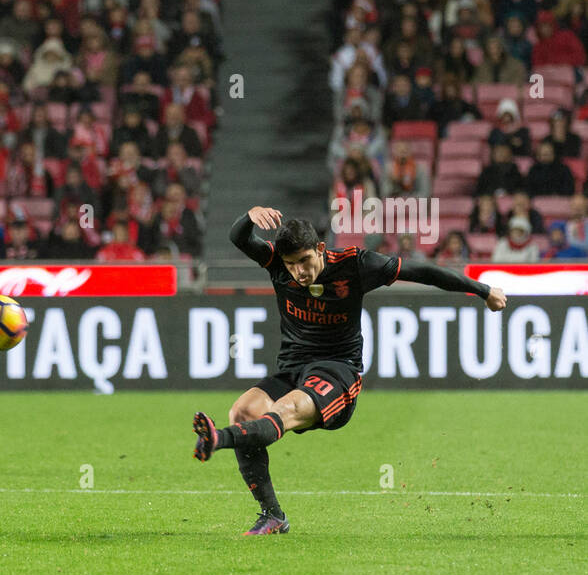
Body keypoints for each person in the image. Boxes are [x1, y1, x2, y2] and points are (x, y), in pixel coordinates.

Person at [191, 206, 506, 536]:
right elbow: (237, 237)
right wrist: (249, 216)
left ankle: (218, 439)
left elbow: (422, 272)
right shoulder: (275, 263)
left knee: (285, 410)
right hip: (291, 369)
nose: (299, 271)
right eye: (291, 264)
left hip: (337, 372)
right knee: (242, 411)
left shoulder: (355, 264)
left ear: (320, 249)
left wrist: (483, 290)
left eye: (304, 260)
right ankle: (272, 516)